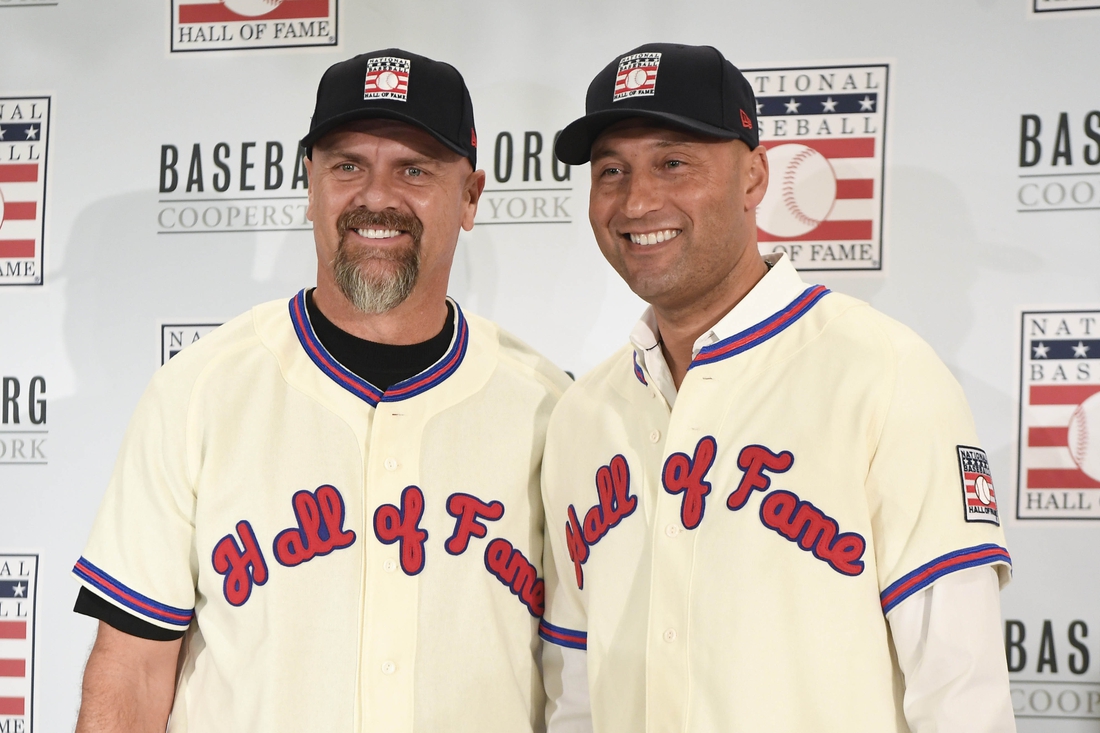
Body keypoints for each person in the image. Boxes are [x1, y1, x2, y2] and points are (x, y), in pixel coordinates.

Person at [72, 48, 570, 733]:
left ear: (471, 196)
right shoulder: (200, 389)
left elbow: (585, 678)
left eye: (414, 169)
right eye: (347, 165)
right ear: (311, 186)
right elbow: (130, 668)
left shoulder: (549, 407)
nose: (375, 196)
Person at [539, 42, 1015, 733]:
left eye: (674, 162)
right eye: (611, 170)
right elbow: (577, 694)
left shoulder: (883, 372)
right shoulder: (582, 413)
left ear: (754, 177)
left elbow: (962, 696)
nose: (638, 200)